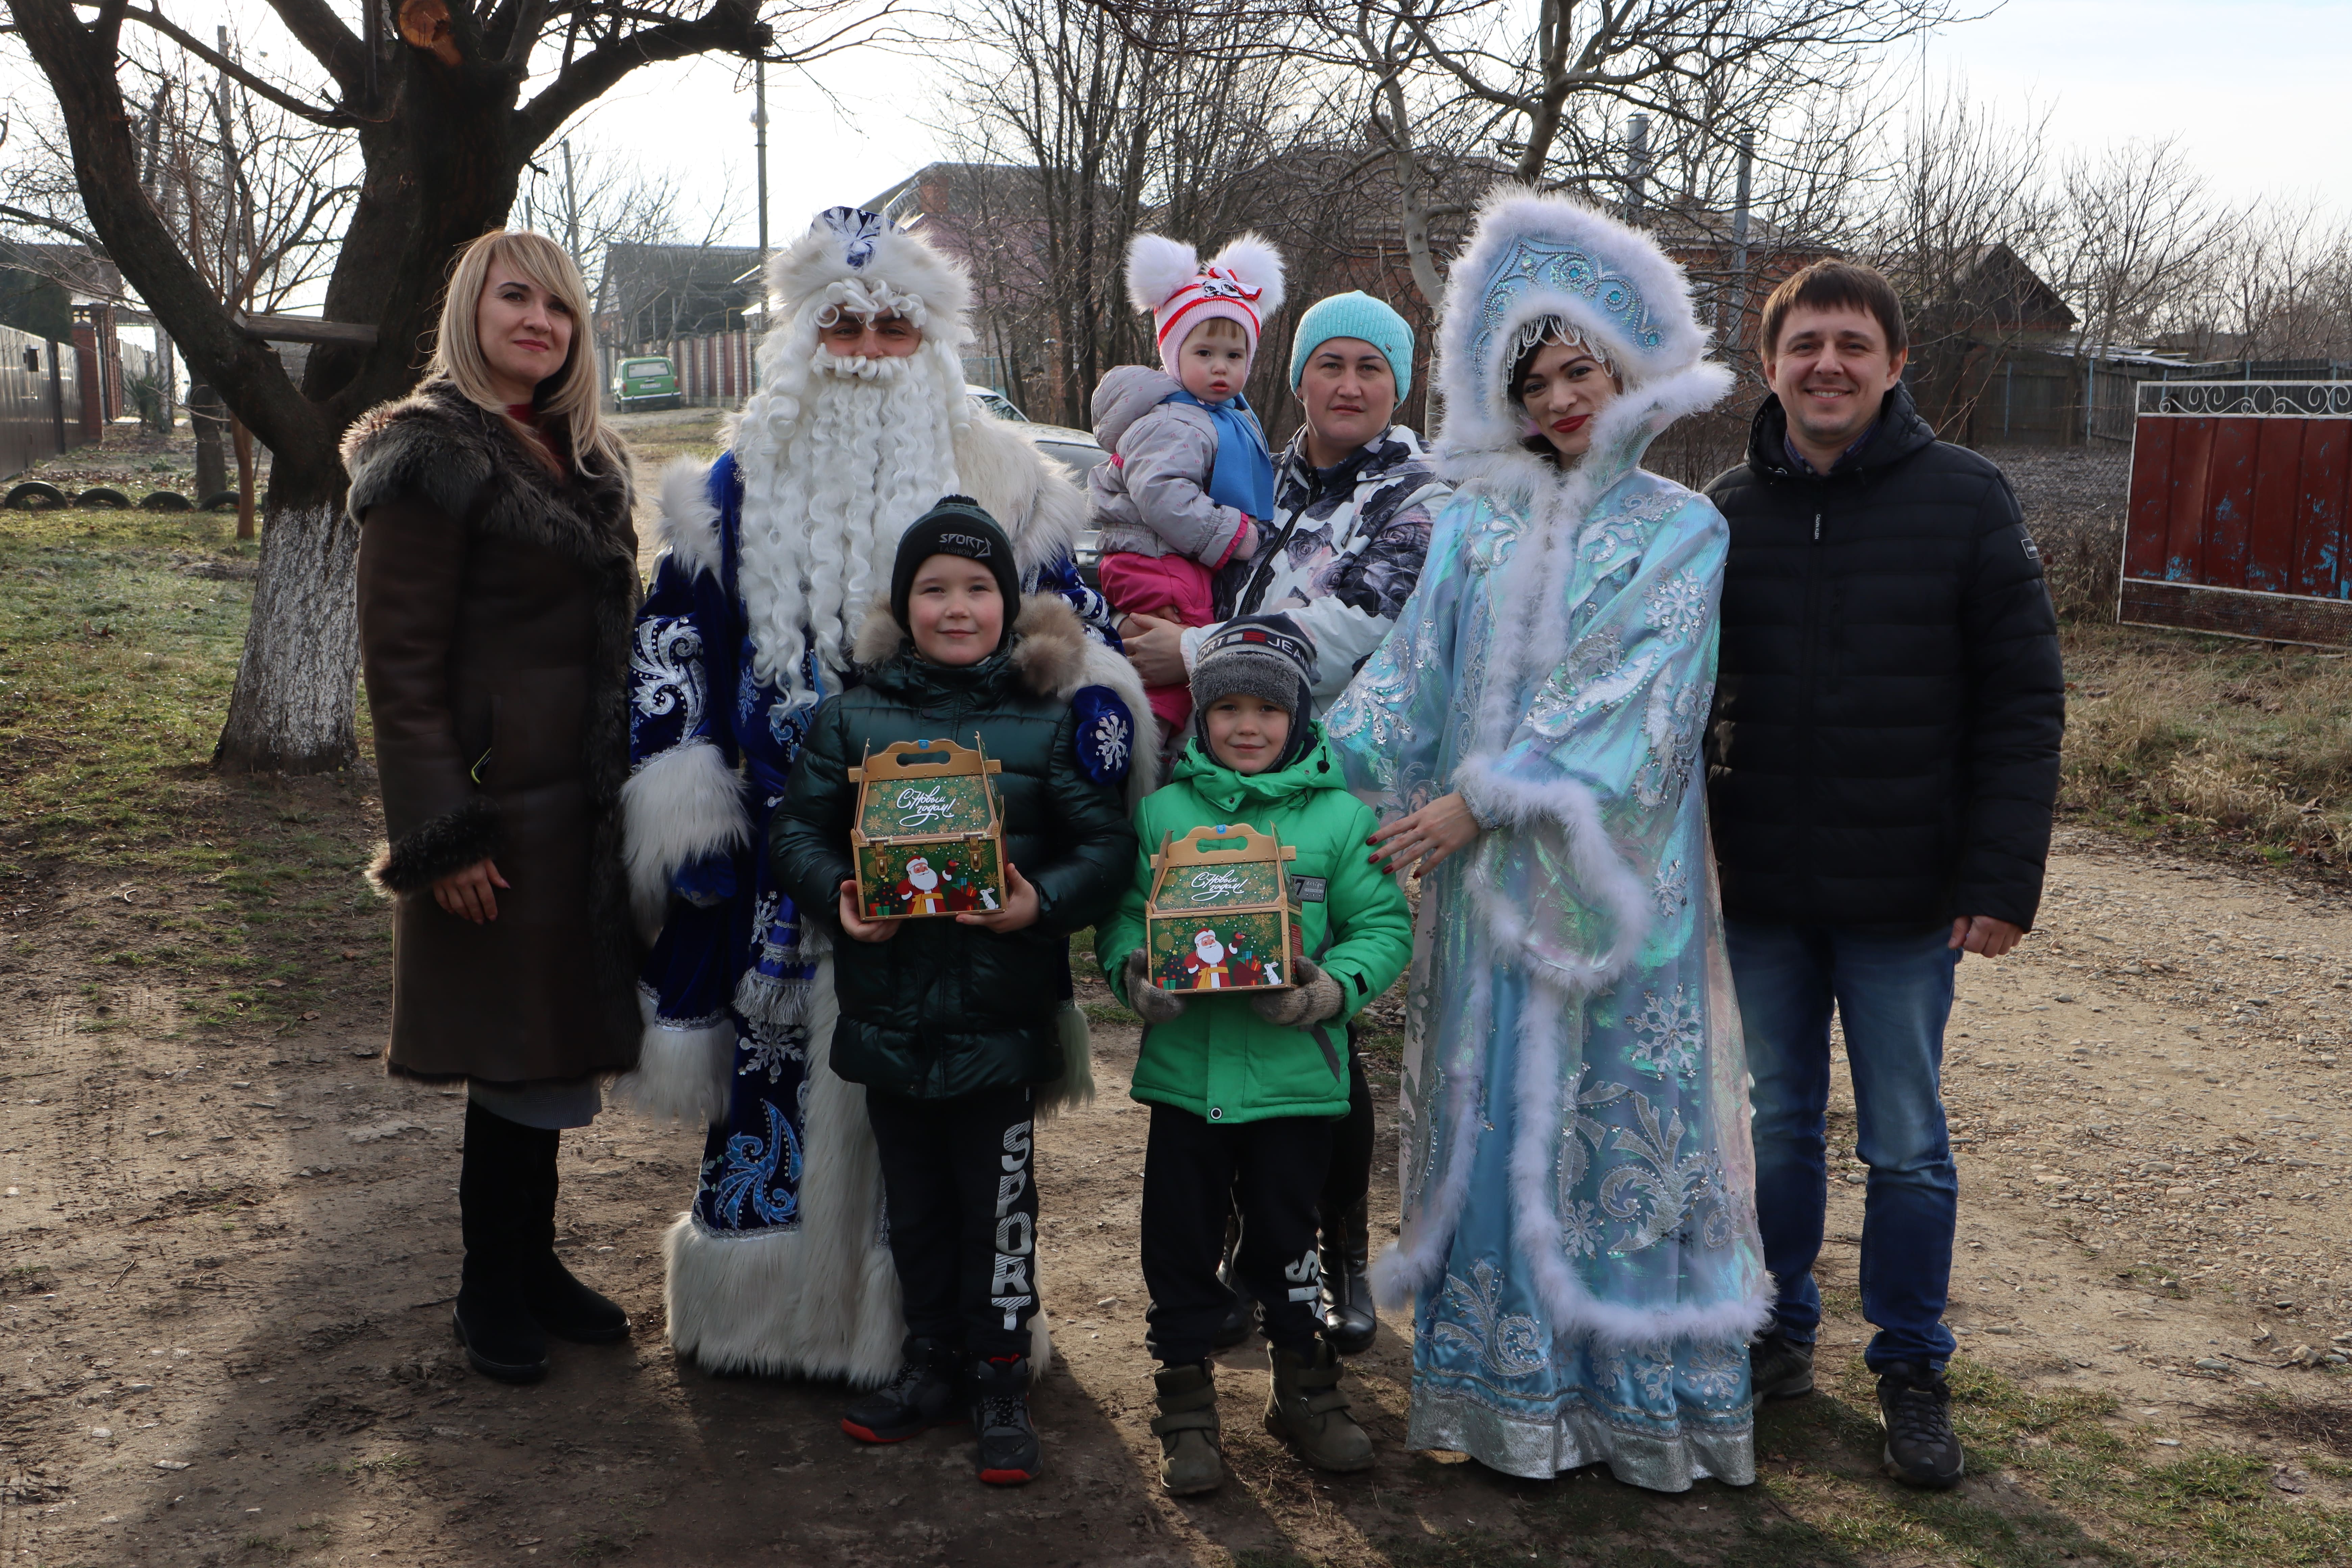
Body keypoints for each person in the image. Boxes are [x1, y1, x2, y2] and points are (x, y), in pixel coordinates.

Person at [616, 207, 1150, 1385]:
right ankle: (772, 1319)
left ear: (934, 345)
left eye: (893, 330)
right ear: (805, 339)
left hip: (971, 874)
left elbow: (1083, 641)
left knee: (962, 1115)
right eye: (843, 326)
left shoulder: (1015, 485)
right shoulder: (726, 493)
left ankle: (965, 1331)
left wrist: (1098, 726)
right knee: (778, 1093)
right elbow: (672, 654)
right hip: (789, 868)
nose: (866, 348)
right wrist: (686, 792)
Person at [1323, 189, 1769, 1490]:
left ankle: (1635, 1412)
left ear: (1629, 366)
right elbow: (1406, 681)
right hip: (1477, 892)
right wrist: (1298, 787)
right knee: (1488, 1113)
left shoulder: (1685, 529)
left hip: (1618, 885)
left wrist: (1490, 798)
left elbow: (1645, 705)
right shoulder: (1469, 522)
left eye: (1584, 370)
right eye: (1538, 379)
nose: (1564, 399)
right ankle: (1502, 1400)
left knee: (1615, 1123)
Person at [1704, 259, 2064, 1490]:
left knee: (1906, 1143)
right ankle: (1776, 1334)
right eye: (1806, 344)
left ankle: (1911, 1364)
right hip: (1759, 893)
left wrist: (2002, 874)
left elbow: (2025, 701)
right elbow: (1674, 708)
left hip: (1910, 898)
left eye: (1855, 345)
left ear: (1896, 364)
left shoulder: (1968, 499)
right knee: (1776, 1130)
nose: (1829, 365)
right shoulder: (1723, 513)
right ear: (1771, 364)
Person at [770, 501, 1137, 1485]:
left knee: (1000, 1210)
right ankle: (930, 1362)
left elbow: (1107, 850)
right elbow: (797, 833)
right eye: (934, 588)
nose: (957, 606)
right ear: (905, 605)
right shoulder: (850, 719)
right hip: (888, 1014)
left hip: (1001, 1023)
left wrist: (1037, 904)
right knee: (918, 1208)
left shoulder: (1048, 722)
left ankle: (1002, 1380)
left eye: (978, 588)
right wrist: (837, 899)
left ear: (1009, 605)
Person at [1124, 290, 1453, 1356]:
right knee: (1225, 996)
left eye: (1370, 367)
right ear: (1299, 376)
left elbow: (1354, 624)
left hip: (1337, 791)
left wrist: (1190, 650)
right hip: (1229, 786)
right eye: (1330, 365)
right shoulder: (1268, 477)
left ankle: (1336, 1256)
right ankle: (1237, 1248)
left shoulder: (1415, 492)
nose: (1348, 385)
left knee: (1317, 1024)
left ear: (1397, 386)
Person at [346, 229, 642, 1383]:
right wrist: (439, 838)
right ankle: (488, 1284)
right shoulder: (432, 456)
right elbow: (400, 667)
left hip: (582, 808)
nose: (541, 321)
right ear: (470, 309)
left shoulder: (578, 456)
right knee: (511, 1054)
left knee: (550, 1043)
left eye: (561, 307)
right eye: (516, 298)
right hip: (494, 809)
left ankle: (533, 1263)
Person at [1095, 615, 1411, 1495]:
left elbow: (1382, 926)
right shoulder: (1163, 815)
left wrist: (1329, 991)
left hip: (1296, 1085)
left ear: (1298, 719)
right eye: (1226, 706)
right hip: (1188, 1082)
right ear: (1200, 717)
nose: (1245, 725)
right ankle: (1187, 1404)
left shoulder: (1340, 821)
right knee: (1181, 1244)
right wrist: (1134, 974)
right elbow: (1122, 920)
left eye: (1265, 710)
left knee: (1287, 1240)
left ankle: (1304, 1391)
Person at [1090, 233, 1286, 740]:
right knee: (1185, 635)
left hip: (1163, 556)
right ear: (1174, 353)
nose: (1221, 367)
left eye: (1234, 354)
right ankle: (1154, 735)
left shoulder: (1219, 418)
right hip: (1154, 557)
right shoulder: (1176, 419)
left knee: (1186, 636)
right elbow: (1161, 494)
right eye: (1204, 352)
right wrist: (1232, 534)